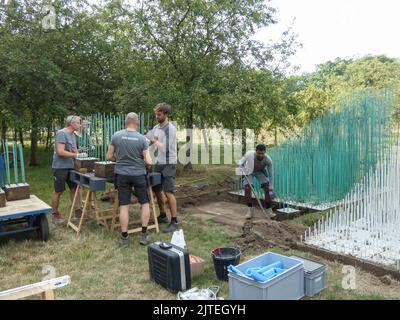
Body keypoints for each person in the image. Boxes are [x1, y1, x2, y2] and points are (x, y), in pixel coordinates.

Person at [107, 112, 152, 246]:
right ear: (137, 123)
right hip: (139, 174)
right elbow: (148, 161)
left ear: (125, 122)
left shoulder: (116, 136)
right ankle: (144, 235)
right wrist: (145, 163)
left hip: (122, 174)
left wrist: (120, 159)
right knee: (144, 203)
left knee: (124, 206)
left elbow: (109, 156)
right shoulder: (142, 139)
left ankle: (125, 238)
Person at [146, 103, 179, 233]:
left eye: (159, 114)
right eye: (156, 114)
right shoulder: (155, 127)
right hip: (159, 162)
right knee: (157, 189)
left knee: (168, 192)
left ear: (165, 114)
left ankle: (175, 220)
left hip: (169, 163)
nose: (156, 116)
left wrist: (153, 141)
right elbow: (152, 144)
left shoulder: (171, 129)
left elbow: (164, 147)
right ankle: (163, 215)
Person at [51, 116, 83, 222]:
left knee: (74, 189)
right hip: (60, 167)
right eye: (79, 123)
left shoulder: (72, 135)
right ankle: (55, 214)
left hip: (71, 166)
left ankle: (78, 212)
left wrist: (77, 153)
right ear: (72, 123)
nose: (80, 125)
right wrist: (76, 156)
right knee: (58, 191)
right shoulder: (62, 133)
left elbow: (74, 151)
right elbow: (60, 151)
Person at [237, 144, 275, 219]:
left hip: (259, 171)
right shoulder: (249, 154)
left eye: (262, 153)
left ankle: (268, 210)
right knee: (247, 188)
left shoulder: (268, 160)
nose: (260, 155)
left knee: (267, 187)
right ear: (255, 151)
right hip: (249, 171)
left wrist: (271, 187)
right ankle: (250, 210)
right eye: (258, 153)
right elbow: (241, 161)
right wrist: (240, 165)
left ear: (265, 152)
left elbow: (271, 174)